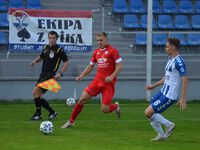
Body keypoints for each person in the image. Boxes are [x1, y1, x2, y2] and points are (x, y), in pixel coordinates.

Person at [61, 32, 123, 128]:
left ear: (106, 39)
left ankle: (115, 106)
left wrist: (111, 77)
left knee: (105, 109)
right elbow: (90, 66)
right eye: (97, 40)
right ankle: (71, 121)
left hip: (108, 84)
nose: (99, 42)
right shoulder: (96, 52)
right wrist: (81, 76)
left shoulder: (113, 51)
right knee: (82, 99)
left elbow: (120, 65)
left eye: (101, 40)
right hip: (97, 82)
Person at [144, 38, 188, 141]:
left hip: (169, 95)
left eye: (167, 46)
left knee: (148, 112)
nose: (165, 48)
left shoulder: (179, 61)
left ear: (173, 47)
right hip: (162, 92)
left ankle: (169, 124)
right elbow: (166, 78)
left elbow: (185, 79)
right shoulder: (170, 60)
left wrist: (183, 97)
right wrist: (153, 85)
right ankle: (162, 136)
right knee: (151, 113)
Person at [30, 31, 69, 120]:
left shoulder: (59, 50)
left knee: (35, 92)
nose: (52, 40)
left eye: (53, 38)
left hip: (50, 76)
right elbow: (41, 57)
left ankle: (38, 114)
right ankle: (52, 112)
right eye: (50, 38)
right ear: (48, 38)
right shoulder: (46, 48)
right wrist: (34, 61)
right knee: (38, 96)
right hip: (43, 75)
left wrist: (60, 73)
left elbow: (66, 62)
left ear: (56, 39)